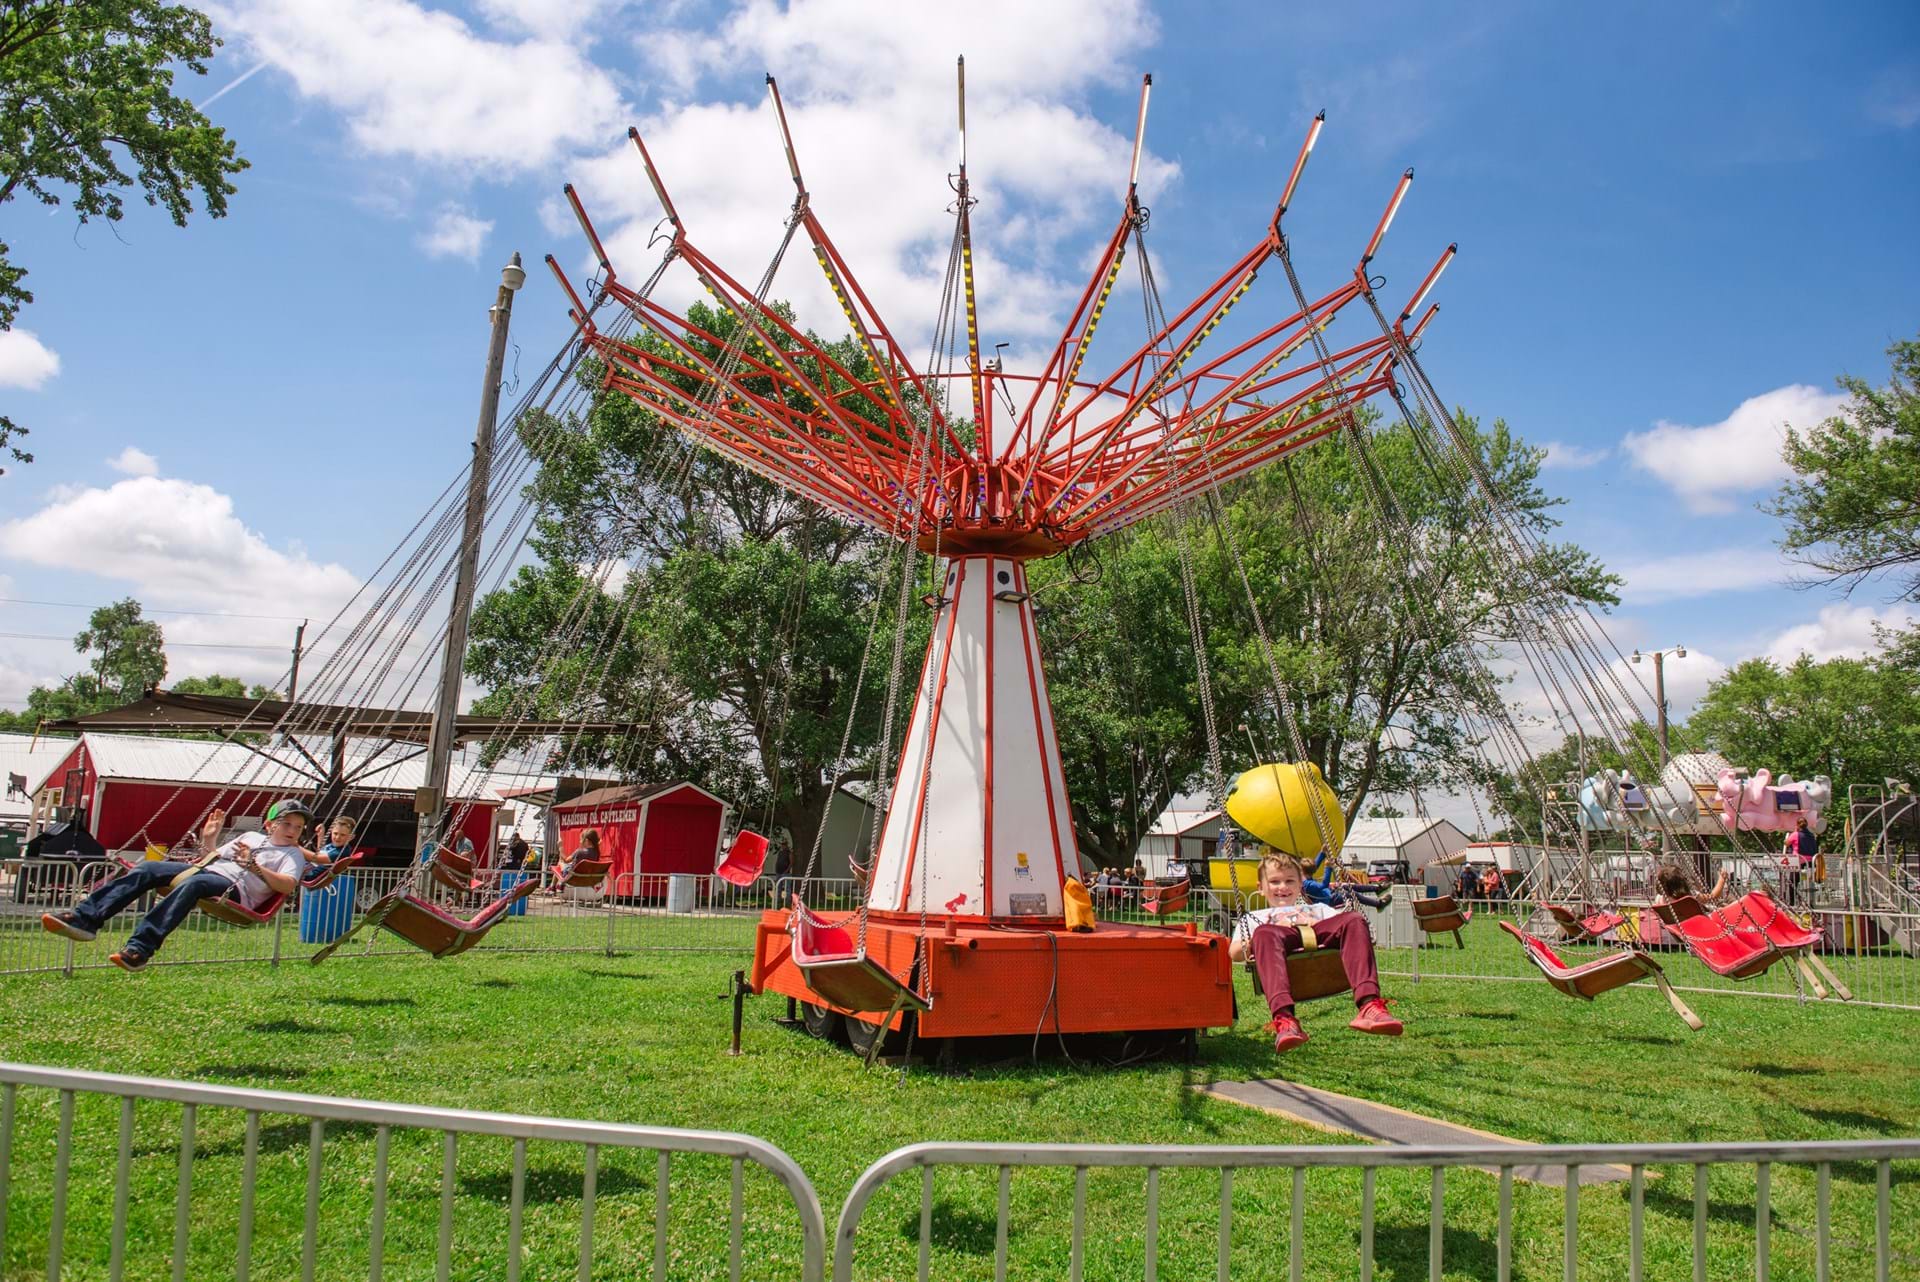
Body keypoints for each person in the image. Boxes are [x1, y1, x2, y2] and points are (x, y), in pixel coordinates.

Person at [40, 799, 310, 971]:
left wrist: (253, 866)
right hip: (208, 871)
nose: (292, 830)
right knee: (147, 867)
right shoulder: (250, 836)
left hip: (235, 890)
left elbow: (287, 886)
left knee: (197, 884)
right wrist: (211, 840)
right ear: (269, 824)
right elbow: (211, 858)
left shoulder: (292, 855)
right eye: (286, 823)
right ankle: (85, 920)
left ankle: (140, 948)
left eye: (298, 827)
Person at [1229, 852, 1403, 1053]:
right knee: (1264, 933)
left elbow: (1340, 926)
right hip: (1278, 941)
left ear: (1300, 885)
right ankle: (1285, 1021)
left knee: (1354, 919)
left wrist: (1314, 923)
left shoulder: (1319, 909)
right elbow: (1233, 952)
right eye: (1275, 882)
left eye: (1289, 881)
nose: (1283, 887)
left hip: (1318, 935)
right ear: (1261, 888)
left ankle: (1369, 1005)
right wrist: (1252, 943)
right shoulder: (1255, 918)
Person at [305, 814, 358, 884]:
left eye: (342, 835)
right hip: (308, 869)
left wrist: (296, 846)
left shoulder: (342, 851)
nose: (337, 837)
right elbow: (321, 853)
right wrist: (321, 835)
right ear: (331, 832)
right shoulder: (333, 846)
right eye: (335, 833)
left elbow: (317, 858)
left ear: (351, 837)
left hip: (309, 875)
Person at [1653, 863, 1729, 906]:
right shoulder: (1690, 897)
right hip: (1696, 928)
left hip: (1675, 929)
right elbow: (1713, 897)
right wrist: (1722, 879)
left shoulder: (1659, 898)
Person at [1783, 817, 1819, 907]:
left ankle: (1792, 902)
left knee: (1793, 881)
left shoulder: (1796, 834)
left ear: (1798, 825)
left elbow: (1787, 843)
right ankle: (1810, 901)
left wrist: (1794, 831)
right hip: (1810, 862)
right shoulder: (1812, 835)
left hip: (1798, 861)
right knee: (1808, 883)